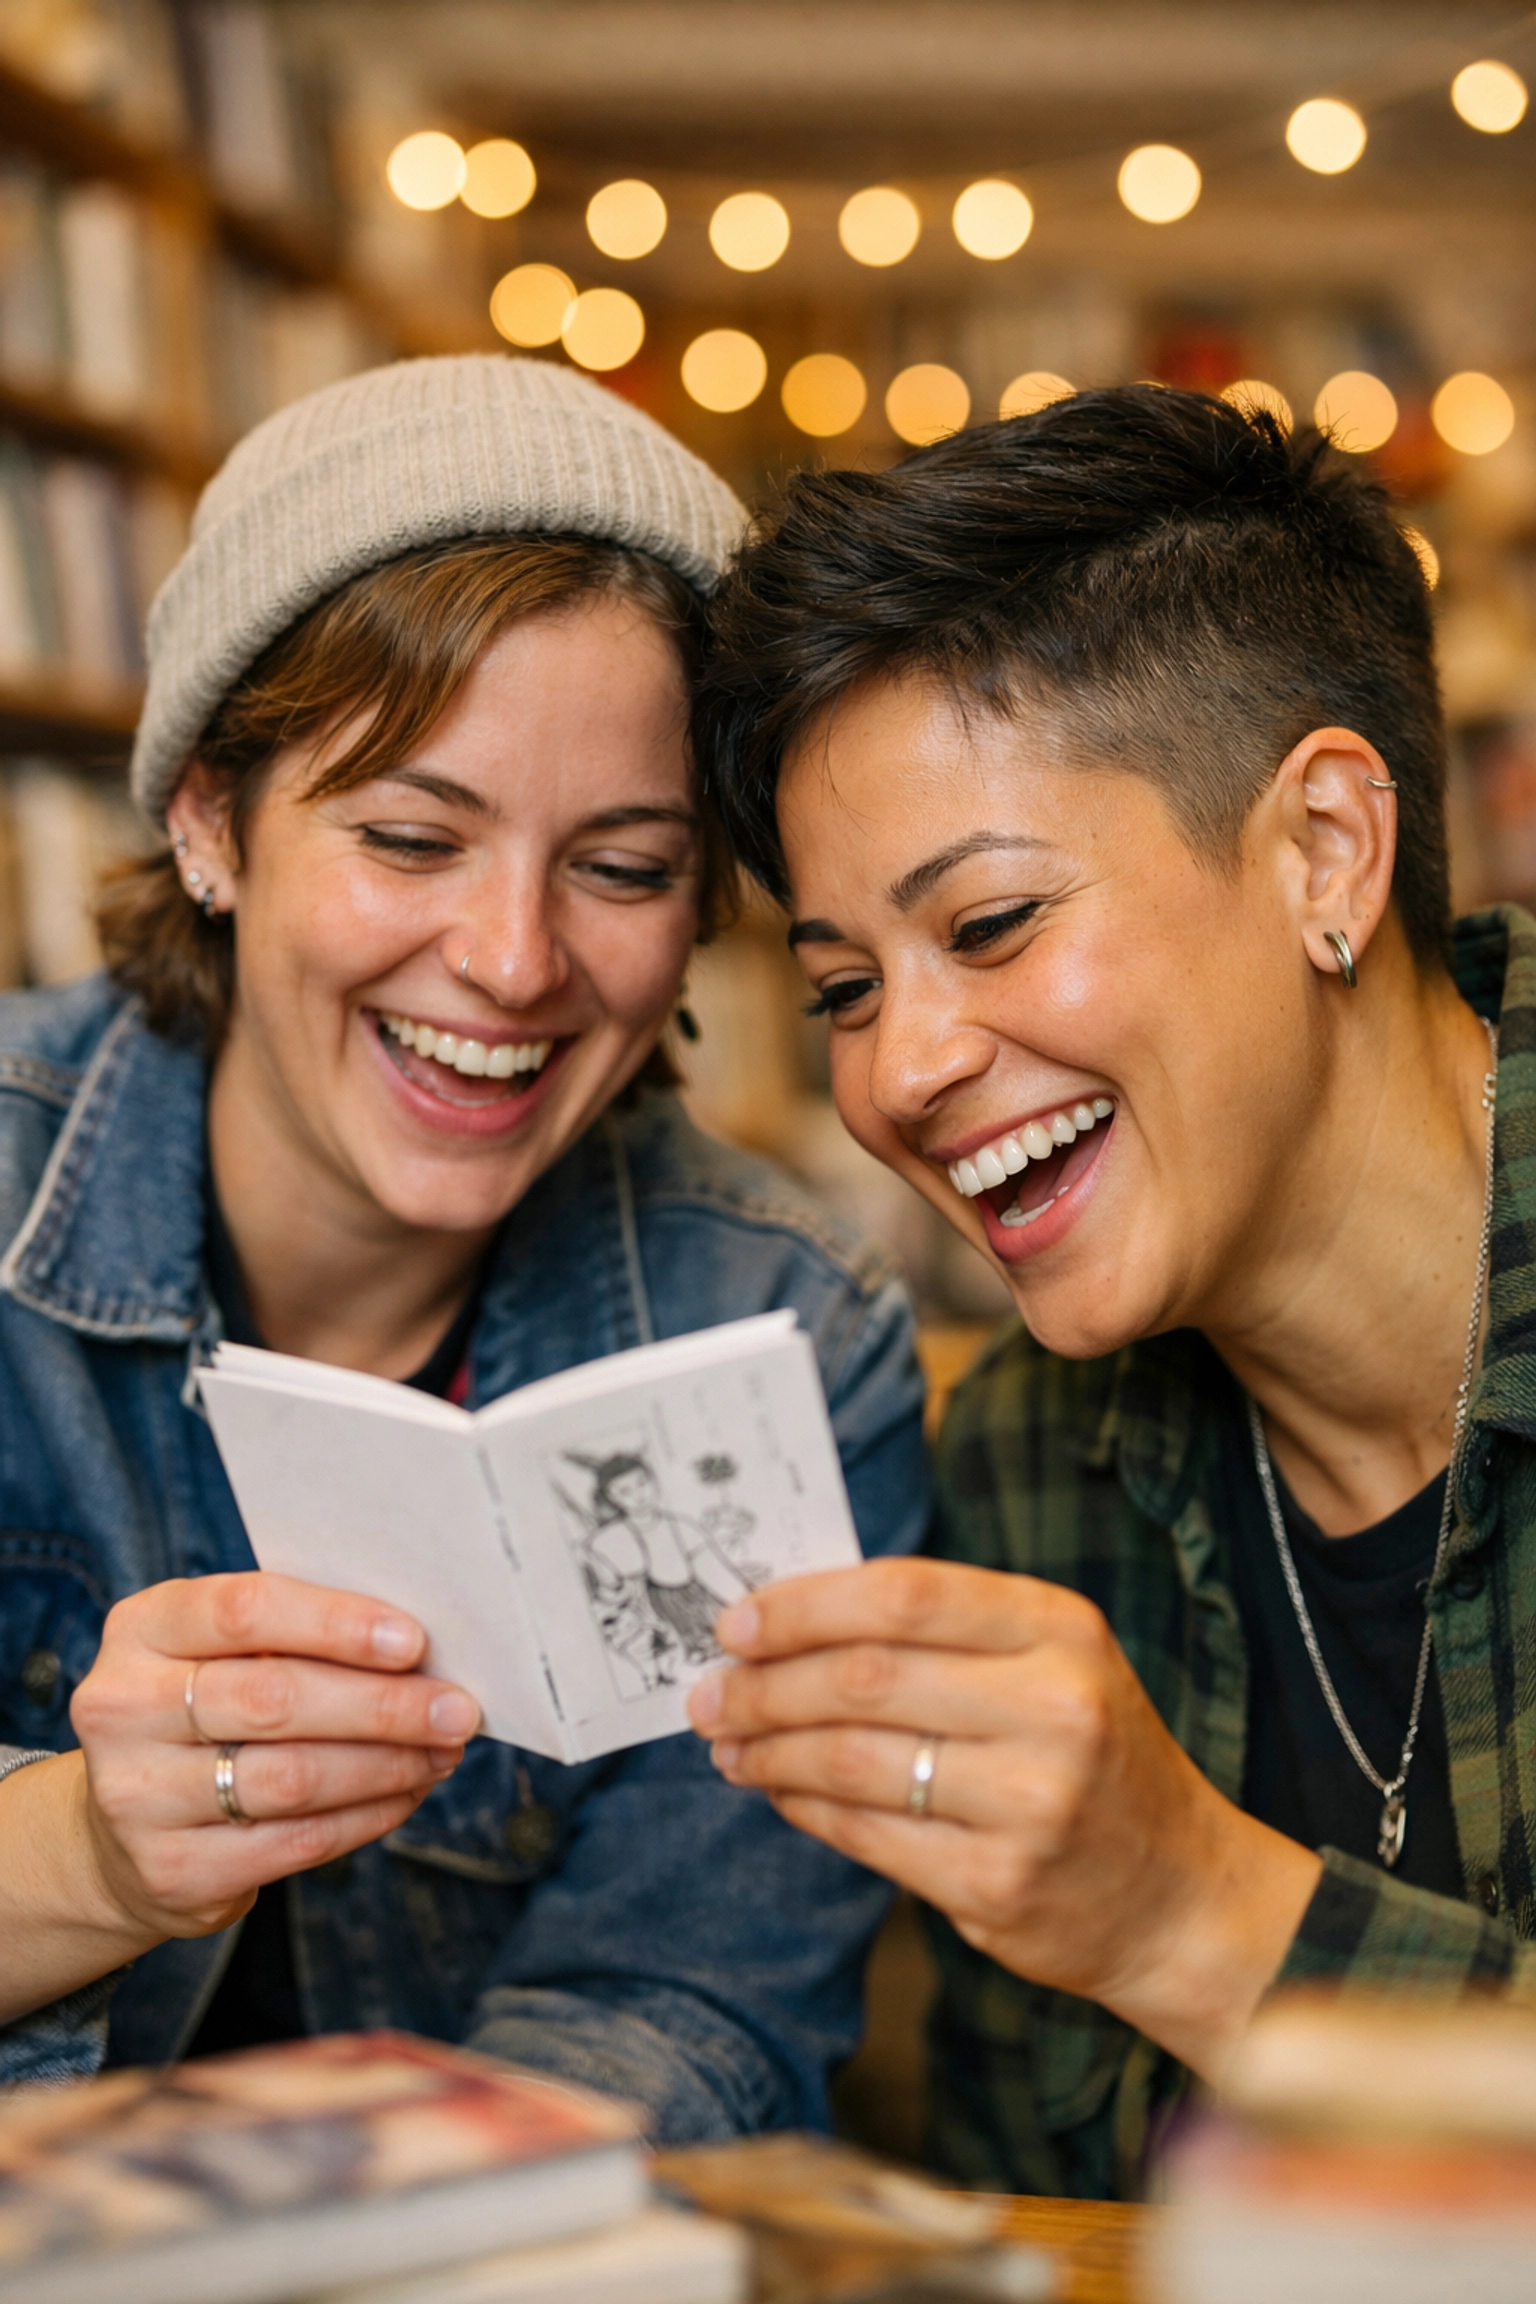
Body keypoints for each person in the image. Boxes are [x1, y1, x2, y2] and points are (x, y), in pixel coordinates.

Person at [0, 354, 928, 2129]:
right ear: (209, 817)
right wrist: (103, 1856)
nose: (512, 962)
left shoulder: (785, 1331)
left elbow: (689, 2006)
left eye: (627, 869)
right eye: (414, 836)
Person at [687, 384, 1536, 2197]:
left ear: (1324, 848)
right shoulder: (1021, 1472)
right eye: (843, 988)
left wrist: (1188, 1908)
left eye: (988, 926)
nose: (900, 1069)